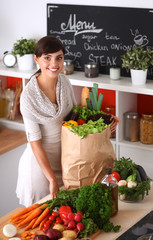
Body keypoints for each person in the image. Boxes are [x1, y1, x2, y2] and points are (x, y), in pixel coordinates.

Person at [16, 35, 120, 207]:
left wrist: (105, 120)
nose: (54, 64)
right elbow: (35, 143)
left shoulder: (64, 82)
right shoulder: (29, 96)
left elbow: (75, 115)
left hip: (68, 160)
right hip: (40, 169)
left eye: (59, 57)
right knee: (42, 224)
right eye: (47, 58)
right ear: (36, 59)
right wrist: (51, 179)